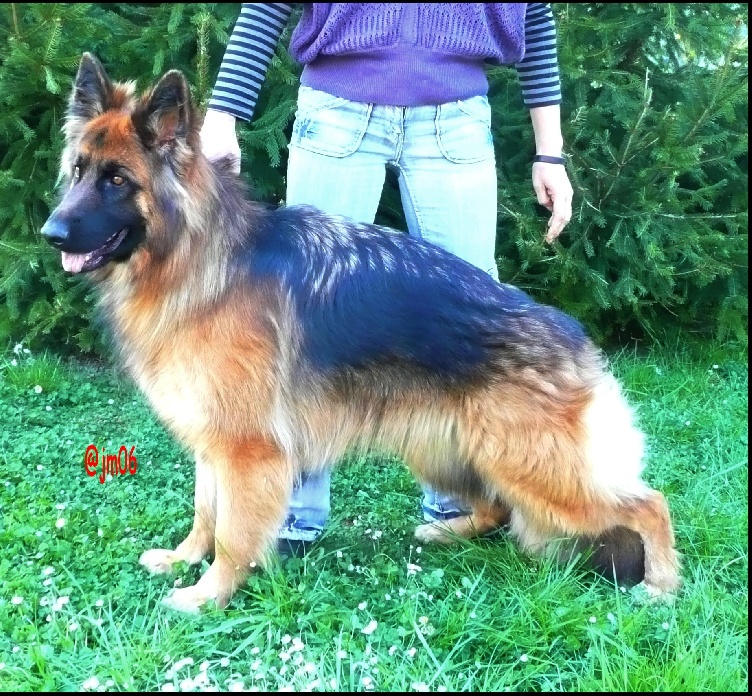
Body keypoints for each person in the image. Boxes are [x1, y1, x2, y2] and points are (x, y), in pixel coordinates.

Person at [200, 2, 574, 554]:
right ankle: (289, 515)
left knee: (471, 320)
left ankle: (465, 502)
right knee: (302, 321)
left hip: (455, 121)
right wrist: (222, 114)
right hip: (336, 113)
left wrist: (551, 151)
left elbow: (535, 16)